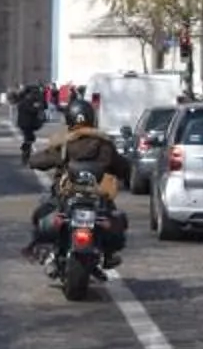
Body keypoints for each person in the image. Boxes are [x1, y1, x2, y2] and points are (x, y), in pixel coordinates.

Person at [26, 113, 130, 265]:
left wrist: (33, 160)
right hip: (97, 196)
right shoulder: (104, 144)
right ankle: (108, 254)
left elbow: (40, 161)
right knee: (113, 217)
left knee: (42, 213)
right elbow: (123, 168)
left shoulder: (65, 143)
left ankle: (43, 250)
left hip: (66, 195)